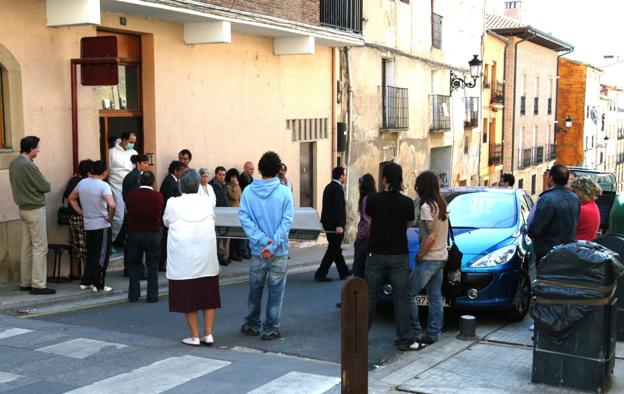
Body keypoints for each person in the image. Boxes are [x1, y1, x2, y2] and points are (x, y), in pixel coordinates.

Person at [239, 152, 294, 340]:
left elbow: (245, 219)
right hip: (278, 250)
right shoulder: (285, 192)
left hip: (257, 250)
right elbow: (286, 223)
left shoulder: (248, 191)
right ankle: (270, 327)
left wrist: (262, 241)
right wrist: (272, 245)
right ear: (279, 169)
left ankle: (253, 323)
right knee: (276, 290)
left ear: (260, 169)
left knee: (255, 289)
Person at [164, 169, 220, 347]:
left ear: (180, 185)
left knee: (189, 299)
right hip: (206, 256)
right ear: (197, 185)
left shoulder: (173, 203)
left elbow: (166, 221)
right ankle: (209, 334)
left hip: (184, 259)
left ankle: (194, 335)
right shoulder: (206, 202)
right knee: (208, 296)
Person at [365, 163, 415, 351]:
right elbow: (408, 224)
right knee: (401, 297)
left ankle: (361, 336)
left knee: (369, 296)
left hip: (376, 252)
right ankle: (404, 338)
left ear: (384, 179)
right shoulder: (407, 203)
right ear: (400, 180)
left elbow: (370, 222)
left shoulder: (372, 200)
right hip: (399, 254)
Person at [8, 136, 55, 295]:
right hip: (35, 209)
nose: (39, 150)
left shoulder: (14, 164)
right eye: (37, 147)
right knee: (40, 247)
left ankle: (25, 282)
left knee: (26, 246)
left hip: (22, 208)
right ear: (31, 148)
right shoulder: (29, 165)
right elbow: (46, 186)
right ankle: (38, 285)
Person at [408, 171, 449, 346]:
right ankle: (434, 333)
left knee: (408, 293)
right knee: (435, 297)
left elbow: (430, 236)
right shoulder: (441, 203)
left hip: (430, 258)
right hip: (442, 256)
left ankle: (416, 331)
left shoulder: (426, 207)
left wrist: (420, 254)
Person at [68, 160, 116, 293]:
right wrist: (109, 217)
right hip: (102, 224)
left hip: (88, 223)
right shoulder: (103, 186)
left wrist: (82, 212)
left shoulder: (82, 182)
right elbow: (112, 205)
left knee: (91, 253)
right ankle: (99, 284)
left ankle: (86, 281)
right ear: (105, 173)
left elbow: (71, 198)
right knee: (101, 256)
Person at [528, 164, 580, 266]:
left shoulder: (546, 199)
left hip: (548, 252)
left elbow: (535, 229)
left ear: (551, 178)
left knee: (545, 280)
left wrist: (529, 232)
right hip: (568, 250)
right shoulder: (574, 198)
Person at [126, 171, 163, 303]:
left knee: (134, 265)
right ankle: (152, 296)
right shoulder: (158, 196)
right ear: (153, 182)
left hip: (134, 233)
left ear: (139, 181)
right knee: (152, 266)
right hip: (152, 234)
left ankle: (134, 295)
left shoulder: (131, 195)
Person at [314, 167, 352, 282]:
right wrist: (339, 225)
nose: (345, 176)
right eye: (344, 175)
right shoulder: (337, 189)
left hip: (328, 223)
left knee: (335, 248)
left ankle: (343, 270)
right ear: (341, 176)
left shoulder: (329, 187)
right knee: (333, 249)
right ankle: (321, 273)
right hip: (334, 225)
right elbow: (337, 208)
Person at [63, 159, 93, 279]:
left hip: (72, 217)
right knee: (85, 246)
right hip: (81, 217)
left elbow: (66, 195)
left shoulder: (73, 180)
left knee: (75, 245)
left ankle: (74, 272)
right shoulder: (84, 183)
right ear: (89, 171)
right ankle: (86, 273)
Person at [121, 153, 149, 277]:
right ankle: (136, 270)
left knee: (131, 243)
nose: (147, 165)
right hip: (135, 214)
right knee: (137, 243)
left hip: (130, 212)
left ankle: (128, 268)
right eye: (144, 163)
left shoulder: (131, 176)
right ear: (138, 163)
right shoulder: (136, 177)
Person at [108, 131, 137, 246]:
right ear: (124, 140)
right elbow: (107, 170)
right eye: (131, 142)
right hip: (116, 186)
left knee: (132, 214)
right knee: (118, 216)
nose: (132, 144)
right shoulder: (111, 152)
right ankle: (111, 241)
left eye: (134, 142)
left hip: (131, 186)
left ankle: (127, 241)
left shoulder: (133, 153)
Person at [159, 160, 183, 272]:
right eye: (181, 171)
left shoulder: (174, 180)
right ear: (175, 171)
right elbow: (168, 200)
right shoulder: (169, 181)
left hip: (174, 215)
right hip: (169, 216)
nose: (182, 173)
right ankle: (162, 263)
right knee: (165, 241)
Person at [353, 174, 376, 279]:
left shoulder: (366, 199)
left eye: (360, 183)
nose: (358, 186)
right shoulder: (375, 197)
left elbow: (367, 222)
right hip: (374, 238)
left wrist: (359, 236)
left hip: (365, 239)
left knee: (359, 270)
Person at [570, 177, 602, 241]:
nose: (571, 194)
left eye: (574, 191)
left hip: (576, 247)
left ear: (581, 192)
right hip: (584, 245)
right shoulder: (593, 206)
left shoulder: (583, 209)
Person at [210, 166, 230, 266]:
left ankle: (223, 255)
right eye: (220, 174)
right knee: (218, 237)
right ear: (216, 174)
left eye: (223, 175)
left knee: (225, 236)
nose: (222, 177)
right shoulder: (211, 185)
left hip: (226, 213)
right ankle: (219, 257)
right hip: (217, 213)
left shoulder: (225, 185)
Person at [238, 161, 254, 260]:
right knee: (242, 232)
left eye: (253, 169)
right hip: (243, 207)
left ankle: (248, 250)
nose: (253, 171)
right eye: (251, 169)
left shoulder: (251, 179)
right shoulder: (241, 179)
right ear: (245, 169)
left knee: (250, 231)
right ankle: (243, 251)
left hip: (250, 208)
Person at [226, 168, 243, 262]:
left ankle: (238, 252)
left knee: (238, 235)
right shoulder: (228, 186)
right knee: (231, 236)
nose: (234, 179)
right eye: (232, 177)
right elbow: (234, 197)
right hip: (231, 212)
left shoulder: (238, 186)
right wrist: (235, 187)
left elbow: (241, 197)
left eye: (235, 176)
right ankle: (231, 254)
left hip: (238, 212)